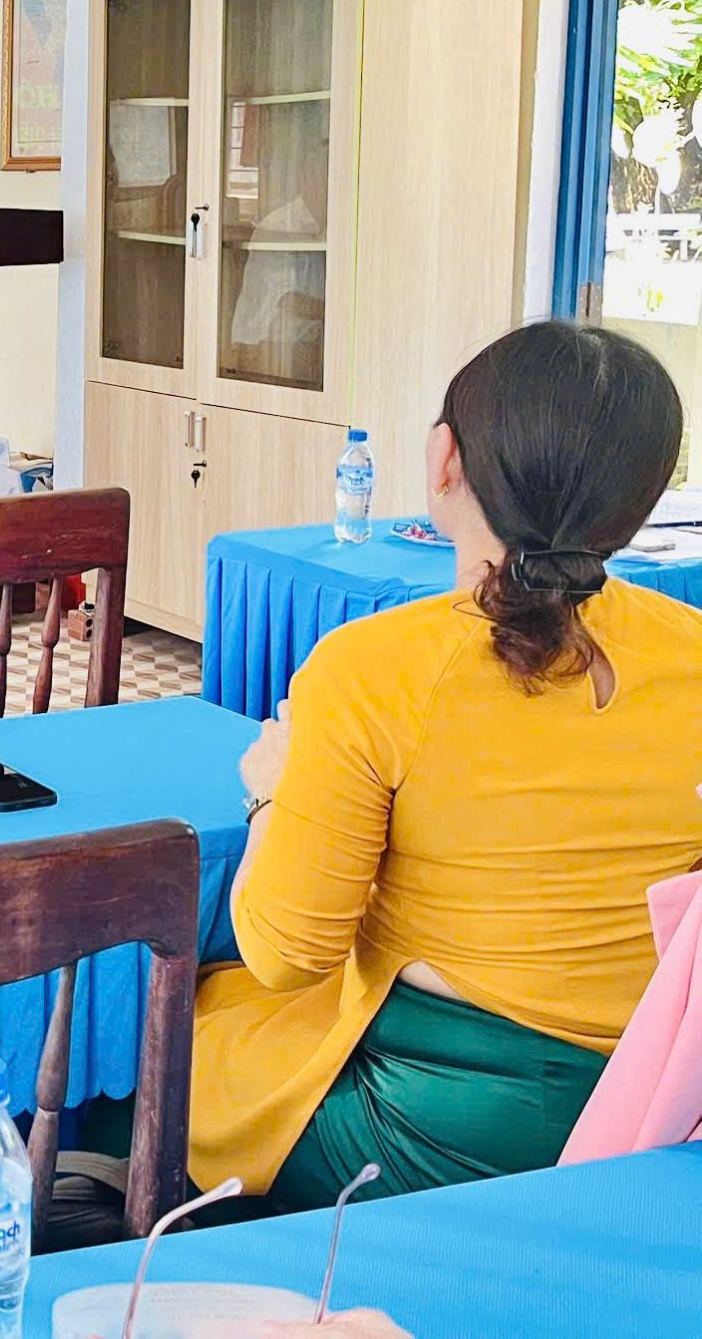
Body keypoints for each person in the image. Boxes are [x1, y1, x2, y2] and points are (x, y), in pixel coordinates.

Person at [192, 321, 702, 1207]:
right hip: (651, 1101)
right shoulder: (691, 647)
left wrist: (269, 793)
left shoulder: (375, 668)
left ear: (444, 460)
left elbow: (285, 954)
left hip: (424, 1122)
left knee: (151, 1066)